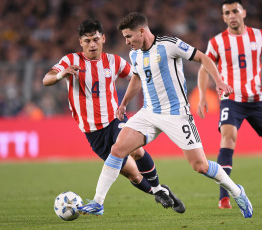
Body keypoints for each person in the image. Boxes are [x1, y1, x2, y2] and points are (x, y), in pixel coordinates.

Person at [78, 12, 253, 218]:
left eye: (129, 36)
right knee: (117, 149)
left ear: (142, 31)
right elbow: (136, 78)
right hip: (149, 113)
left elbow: (203, 57)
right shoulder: (134, 54)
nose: (126, 42)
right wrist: (124, 104)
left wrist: (219, 81)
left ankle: (237, 191)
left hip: (176, 115)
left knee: (200, 166)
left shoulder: (169, 44)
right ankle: (98, 202)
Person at [43, 19, 185, 215]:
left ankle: (100, 201)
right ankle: (159, 191)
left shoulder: (114, 61)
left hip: (114, 121)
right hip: (92, 133)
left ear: (103, 38)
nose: (92, 44)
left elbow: (137, 77)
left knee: (136, 151)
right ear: (80, 42)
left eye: (95, 39)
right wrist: (61, 75)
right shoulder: (71, 61)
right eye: (87, 41)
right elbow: (46, 79)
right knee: (134, 176)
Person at [197, 0, 262, 209]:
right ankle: (224, 197)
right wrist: (202, 95)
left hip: (257, 99)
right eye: (227, 13)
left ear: (243, 13)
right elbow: (204, 69)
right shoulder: (217, 41)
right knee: (228, 138)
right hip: (231, 100)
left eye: (235, 11)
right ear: (223, 17)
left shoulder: (259, 36)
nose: (232, 15)